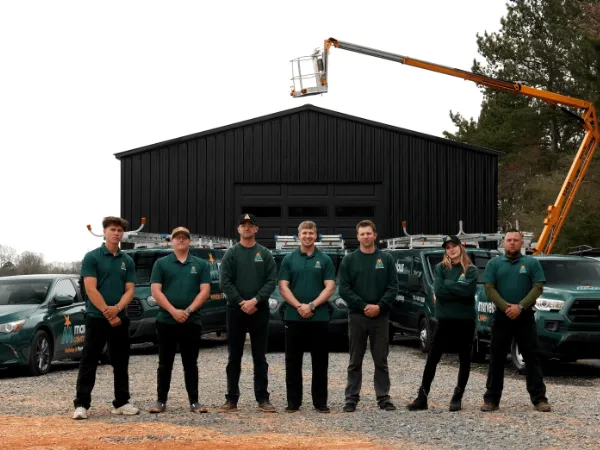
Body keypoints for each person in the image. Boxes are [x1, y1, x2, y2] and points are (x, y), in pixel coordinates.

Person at [73, 216, 138, 420]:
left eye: (119, 230)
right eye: (112, 229)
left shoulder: (127, 260)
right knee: (89, 361)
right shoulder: (92, 257)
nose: (116, 233)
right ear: (104, 232)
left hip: (120, 318)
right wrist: (107, 313)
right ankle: (81, 405)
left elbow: (130, 290)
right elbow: (90, 289)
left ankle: (122, 402)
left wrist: (117, 309)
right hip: (96, 317)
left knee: (121, 362)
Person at [481, 229, 551, 412]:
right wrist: (506, 307)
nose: (512, 243)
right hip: (501, 317)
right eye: (509, 240)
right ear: (503, 242)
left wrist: (520, 307)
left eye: (515, 240)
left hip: (525, 316)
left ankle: (539, 399)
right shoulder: (494, 264)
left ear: (522, 243)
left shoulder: (531, 263)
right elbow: (489, 288)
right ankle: (491, 399)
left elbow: (538, 287)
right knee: (496, 357)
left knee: (532, 357)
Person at [407, 235, 477, 412]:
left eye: (454, 246)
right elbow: (438, 290)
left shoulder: (471, 270)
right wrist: (454, 289)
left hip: (465, 321)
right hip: (445, 320)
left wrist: (448, 286)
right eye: (447, 247)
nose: (451, 250)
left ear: (461, 247)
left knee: (464, 359)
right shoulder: (440, 268)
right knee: (432, 358)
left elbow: (468, 292)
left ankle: (457, 397)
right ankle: (422, 397)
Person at [148, 227, 211, 414]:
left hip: (192, 321)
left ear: (190, 241)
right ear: (172, 241)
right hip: (166, 320)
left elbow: (205, 291)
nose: (181, 240)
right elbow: (156, 291)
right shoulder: (161, 264)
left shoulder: (200, 264)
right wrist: (173, 311)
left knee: (190, 363)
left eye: (184, 237)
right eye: (177, 238)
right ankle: (161, 401)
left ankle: (194, 402)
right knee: (164, 363)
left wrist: (188, 310)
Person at [218, 213, 278, 413]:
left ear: (256, 229)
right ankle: (231, 399)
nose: (247, 228)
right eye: (243, 225)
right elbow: (224, 281)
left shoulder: (265, 254)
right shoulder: (231, 253)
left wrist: (255, 300)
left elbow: (271, 281)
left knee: (259, 356)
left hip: (259, 310)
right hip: (235, 310)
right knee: (234, 356)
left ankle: (263, 398)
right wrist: (241, 301)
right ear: (238, 229)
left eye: (250, 225)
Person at [340, 220, 398, 412]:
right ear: (357, 237)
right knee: (355, 359)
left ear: (375, 235)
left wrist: (379, 306)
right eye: (362, 234)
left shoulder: (386, 259)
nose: (366, 236)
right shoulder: (349, 260)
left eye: (368, 233)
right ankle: (351, 398)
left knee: (381, 359)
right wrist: (363, 305)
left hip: (380, 316)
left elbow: (393, 287)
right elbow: (344, 289)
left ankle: (383, 398)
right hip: (357, 316)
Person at [279, 221, 336, 413]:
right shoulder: (289, 259)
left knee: (320, 362)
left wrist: (311, 305)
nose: (308, 236)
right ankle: (293, 402)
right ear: (298, 235)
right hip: (293, 317)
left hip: (319, 317)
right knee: (293, 362)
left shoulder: (325, 259)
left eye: (311, 233)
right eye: (304, 233)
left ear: (316, 235)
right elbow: (283, 287)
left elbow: (330, 287)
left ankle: (320, 402)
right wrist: (298, 306)